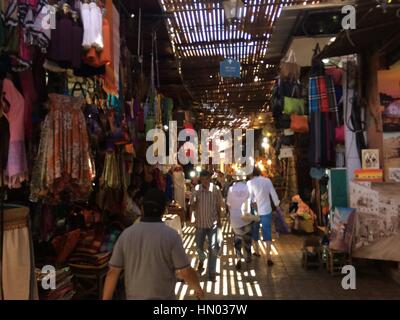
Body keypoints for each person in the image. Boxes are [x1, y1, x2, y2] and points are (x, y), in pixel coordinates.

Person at [103, 188, 204, 300]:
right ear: (164, 210)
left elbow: (113, 272)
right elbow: (186, 272)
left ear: (142, 209)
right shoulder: (171, 236)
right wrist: (197, 288)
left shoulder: (126, 235)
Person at [190, 170, 223, 282]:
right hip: (200, 224)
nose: (205, 181)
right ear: (200, 179)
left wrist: (219, 220)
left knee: (213, 247)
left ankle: (211, 272)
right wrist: (194, 203)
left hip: (212, 223)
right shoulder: (196, 190)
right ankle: (202, 259)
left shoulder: (215, 190)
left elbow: (218, 205)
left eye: (207, 179)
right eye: (203, 179)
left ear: (210, 179)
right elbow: (192, 207)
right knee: (199, 247)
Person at [247, 167, 280, 266]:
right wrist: (277, 204)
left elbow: (250, 198)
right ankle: (268, 257)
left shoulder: (250, 183)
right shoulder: (267, 180)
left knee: (255, 230)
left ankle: (257, 251)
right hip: (266, 210)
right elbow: (273, 194)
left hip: (256, 211)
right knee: (267, 231)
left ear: (251, 174)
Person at [226, 177, 253, 270]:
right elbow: (253, 203)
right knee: (247, 238)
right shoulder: (248, 187)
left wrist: (231, 212)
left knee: (237, 239)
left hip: (235, 218)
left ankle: (238, 259)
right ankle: (248, 256)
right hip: (246, 217)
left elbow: (228, 204)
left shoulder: (231, 189)